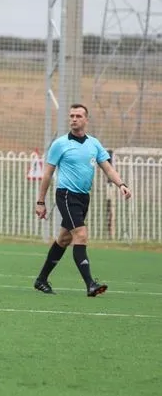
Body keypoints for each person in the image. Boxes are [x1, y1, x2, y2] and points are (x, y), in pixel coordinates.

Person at [32, 103, 132, 296]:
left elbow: (108, 168)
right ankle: (90, 285)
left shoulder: (94, 144)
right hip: (66, 195)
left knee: (64, 238)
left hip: (83, 197)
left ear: (86, 119)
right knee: (81, 235)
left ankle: (41, 280)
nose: (74, 119)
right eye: (71, 116)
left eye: (78, 116)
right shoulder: (60, 144)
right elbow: (47, 174)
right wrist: (40, 202)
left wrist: (122, 184)